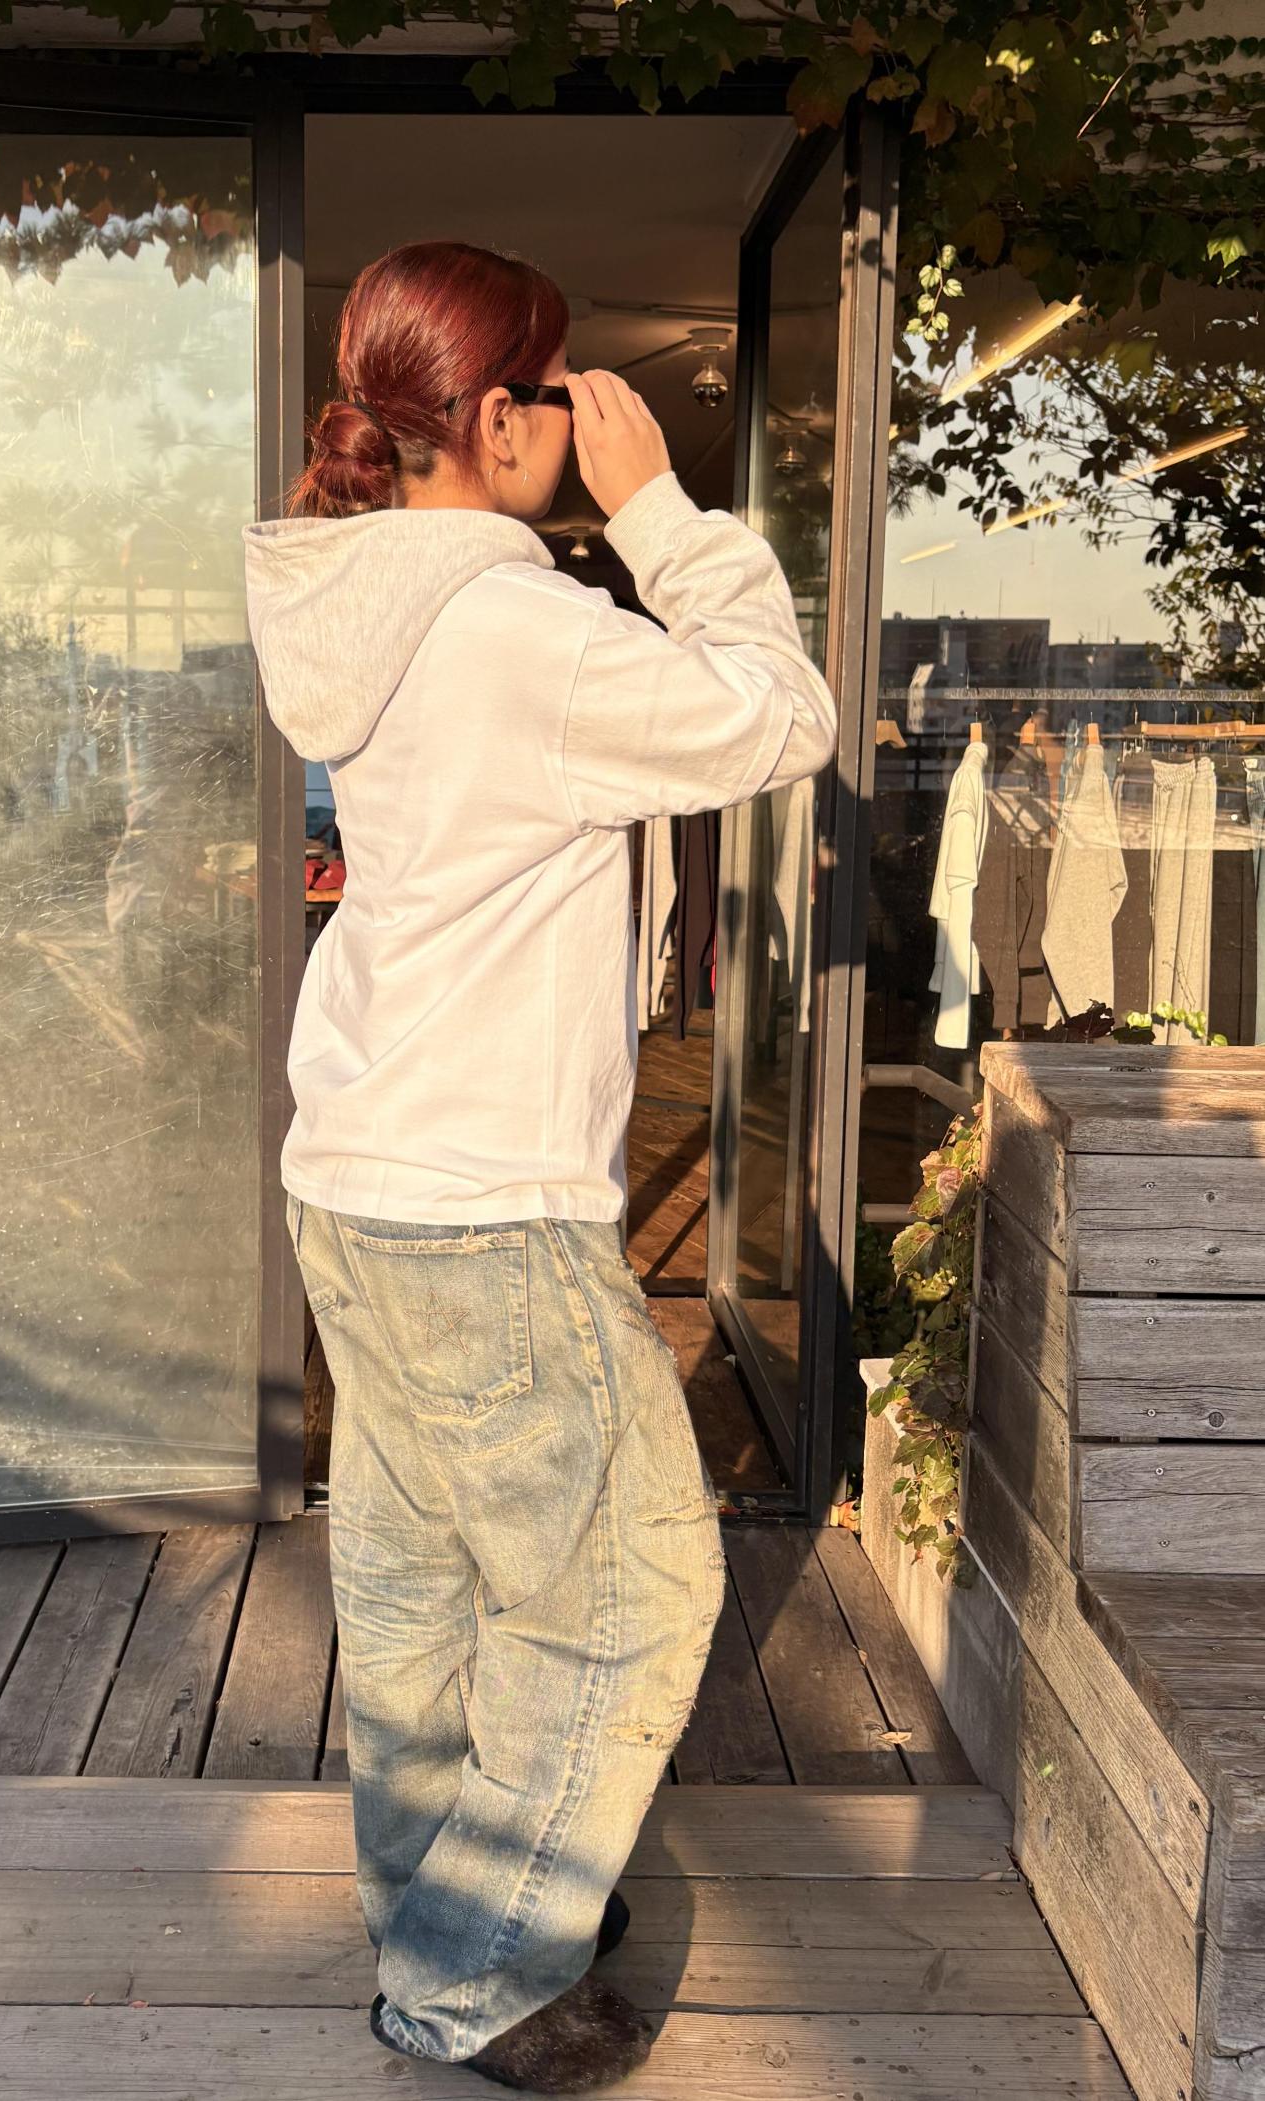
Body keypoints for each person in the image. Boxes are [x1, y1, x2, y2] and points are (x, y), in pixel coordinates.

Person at [241, 240, 837, 2092]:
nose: (583, 424)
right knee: (630, 1590)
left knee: (419, 1582)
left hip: (358, 1170)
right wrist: (659, 508)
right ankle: (478, 1970)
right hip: (485, 1198)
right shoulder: (522, 630)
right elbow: (782, 713)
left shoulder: (367, 606)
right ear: (497, 418)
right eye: (563, 392)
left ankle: (450, 1903)